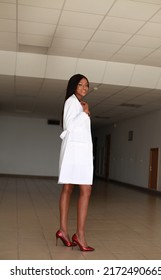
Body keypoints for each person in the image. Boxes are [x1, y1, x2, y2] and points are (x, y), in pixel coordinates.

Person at [56, 74, 94, 252]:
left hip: (82, 151)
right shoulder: (71, 102)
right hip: (73, 150)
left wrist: (84, 112)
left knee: (84, 189)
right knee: (69, 188)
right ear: (73, 86)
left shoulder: (79, 103)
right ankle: (67, 231)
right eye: (80, 85)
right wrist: (85, 113)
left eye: (86, 85)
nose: (84, 88)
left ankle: (76, 233)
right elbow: (69, 126)